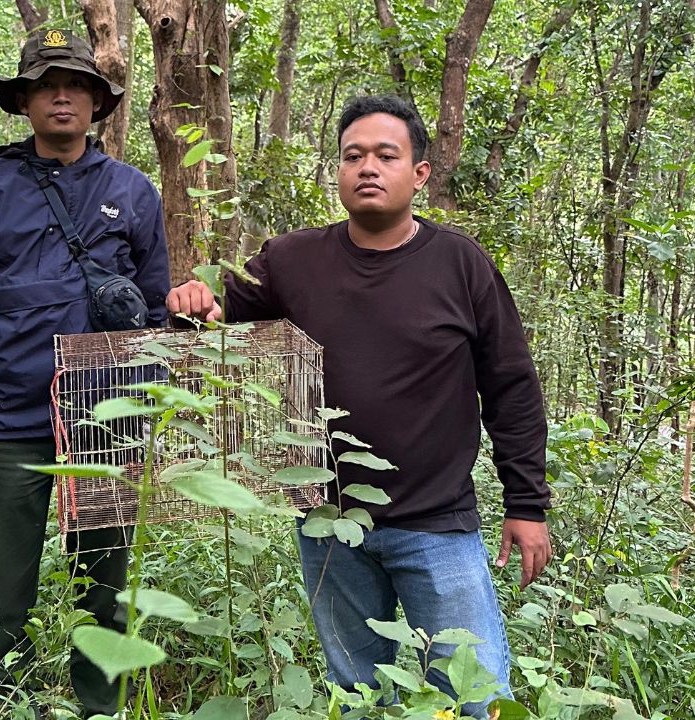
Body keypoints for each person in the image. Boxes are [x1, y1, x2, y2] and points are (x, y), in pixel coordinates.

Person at [167, 95, 552, 716]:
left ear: (419, 173)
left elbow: (511, 388)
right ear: (338, 172)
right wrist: (196, 294)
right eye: (353, 156)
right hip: (328, 525)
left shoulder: (461, 263)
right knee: (357, 695)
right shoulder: (293, 260)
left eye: (385, 155)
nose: (367, 167)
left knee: (475, 698)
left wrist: (527, 504)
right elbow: (219, 310)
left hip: (437, 526)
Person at [0, 29, 170, 717]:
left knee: (106, 590)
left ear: (96, 101)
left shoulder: (133, 192)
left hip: (104, 422)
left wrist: (150, 411)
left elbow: (155, 316)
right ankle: (8, 704)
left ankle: (100, 708)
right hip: (7, 420)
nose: (63, 95)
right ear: (24, 101)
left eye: (78, 84)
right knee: (7, 598)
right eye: (47, 84)